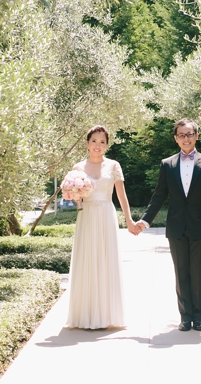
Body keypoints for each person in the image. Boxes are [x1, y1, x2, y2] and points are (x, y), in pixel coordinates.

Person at [136, 118, 201, 331]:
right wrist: (145, 220)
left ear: (196, 136)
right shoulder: (167, 164)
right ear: (176, 138)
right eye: (182, 135)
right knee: (181, 272)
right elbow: (159, 195)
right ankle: (185, 317)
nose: (186, 138)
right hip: (175, 227)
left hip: (200, 227)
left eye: (189, 134)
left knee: (197, 272)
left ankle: (198, 317)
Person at [66, 125, 140, 329]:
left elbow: (121, 196)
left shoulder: (114, 165)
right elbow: (75, 198)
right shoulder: (78, 168)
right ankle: (86, 315)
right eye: (94, 141)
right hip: (87, 216)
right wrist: (74, 195)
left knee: (106, 259)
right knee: (87, 259)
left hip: (107, 215)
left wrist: (129, 220)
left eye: (102, 142)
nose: (97, 145)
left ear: (107, 145)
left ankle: (106, 315)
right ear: (88, 143)